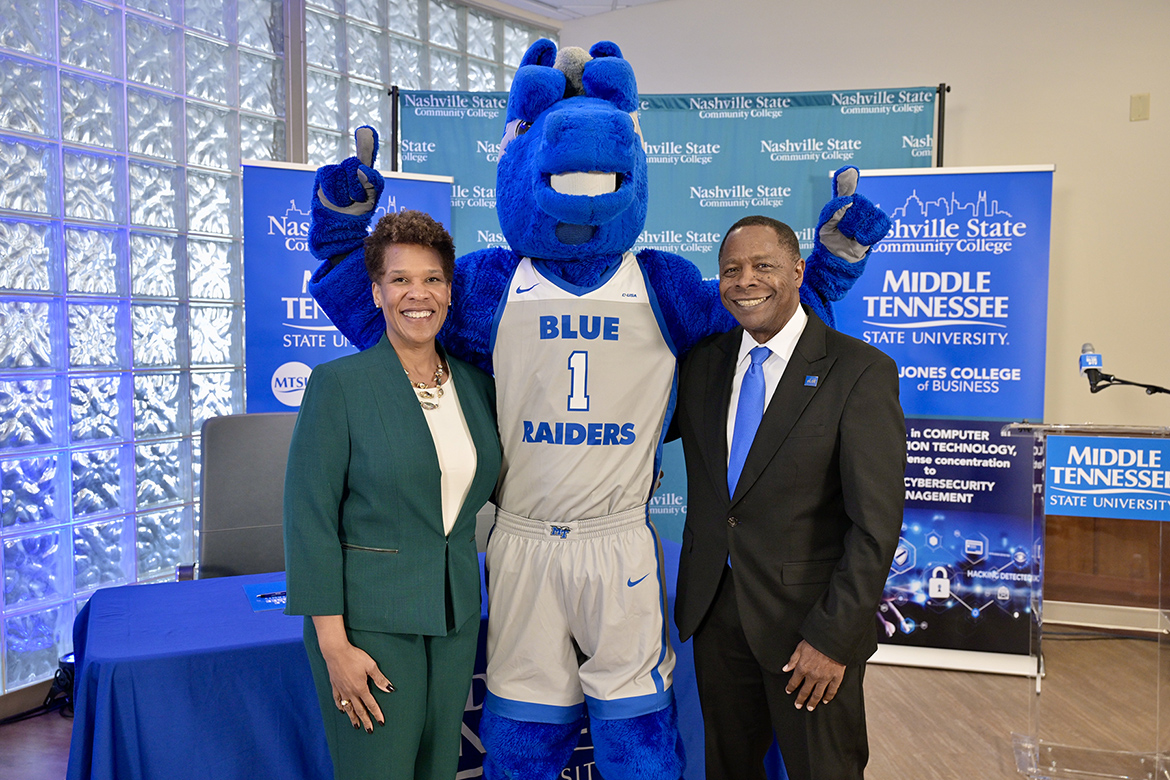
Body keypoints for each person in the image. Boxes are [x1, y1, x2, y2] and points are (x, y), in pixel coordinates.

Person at [672, 215, 906, 780]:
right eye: (731, 270)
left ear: (799, 272)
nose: (745, 280)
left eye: (763, 266)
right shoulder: (702, 364)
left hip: (811, 628)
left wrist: (833, 638)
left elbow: (875, 527)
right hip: (716, 615)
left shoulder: (860, 371)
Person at [283, 210, 502, 780]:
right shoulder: (340, 385)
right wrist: (334, 647)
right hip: (369, 627)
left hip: (454, 618)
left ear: (449, 292)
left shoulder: (477, 386)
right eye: (400, 280)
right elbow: (309, 521)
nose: (417, 294)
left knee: (436, 773)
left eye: (431, 279)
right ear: (376, 292)